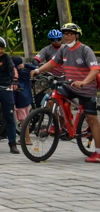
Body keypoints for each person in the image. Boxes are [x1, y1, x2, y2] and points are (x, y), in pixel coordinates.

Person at [29, 22, 100, 163]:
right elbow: (52, 63)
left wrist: (84, 82)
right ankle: (58, 125)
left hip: (86, 89)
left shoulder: (86, 50)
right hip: (70, 85)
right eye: (65, 34)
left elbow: (95, 69)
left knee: (92, 119)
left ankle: (98, 152)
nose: (66, 37)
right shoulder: (63, 50)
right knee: (52, 98)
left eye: (69, 34)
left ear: (77, 35)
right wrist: (38, 70)